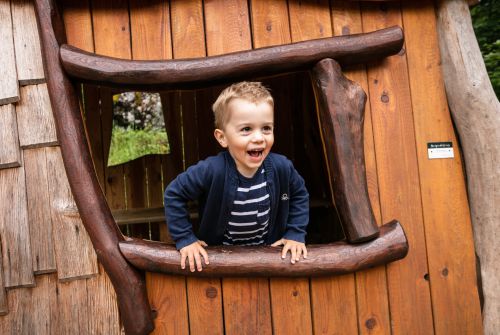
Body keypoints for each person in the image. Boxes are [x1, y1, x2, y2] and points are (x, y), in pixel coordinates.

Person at [164, 81, 309, 272]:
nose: (259, 137)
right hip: (218, 260)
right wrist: (185, 239)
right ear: (222, 137)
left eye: (266, 128)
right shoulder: (212, 170)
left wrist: (294, 233)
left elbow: (299, 195)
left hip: (268, 257)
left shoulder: (282, 167)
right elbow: (174, 194)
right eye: (246, 129)